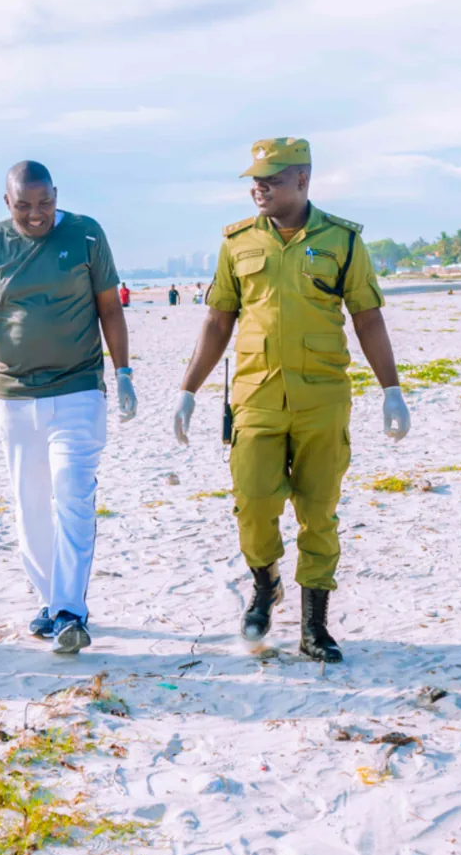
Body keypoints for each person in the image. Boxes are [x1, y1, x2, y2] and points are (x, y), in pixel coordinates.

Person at [173, 138, 411, 663]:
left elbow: (368, 317)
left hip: (322, 396)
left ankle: (314, 625)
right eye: (256, 179)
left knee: (318, 511)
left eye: (273, 178)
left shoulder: (343, 241)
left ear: (302, 181)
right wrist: (189, 389)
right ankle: (266, 582)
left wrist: (391, 389)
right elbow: (217, 320)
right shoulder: (237, 243)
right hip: (255, 394)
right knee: (253, 503)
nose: (260, 187)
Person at [0, 161, 136, 655]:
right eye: (23, 206)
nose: (36, 215)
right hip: (14, 396)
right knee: (30, 505)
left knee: (73, 495)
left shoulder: (86, 236)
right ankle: (51, 601)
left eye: (45, 203)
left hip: (78, 389)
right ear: (6, 202)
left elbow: (109, 308)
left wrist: (122, 372)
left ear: (57, 194)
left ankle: (71, 612)